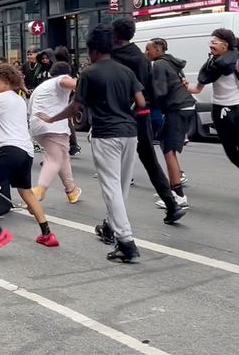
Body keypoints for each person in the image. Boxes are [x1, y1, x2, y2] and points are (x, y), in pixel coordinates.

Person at [39, 25, 145, 262]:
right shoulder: (126, 71)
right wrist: (124, 113)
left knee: (111, 187)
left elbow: (76, 107)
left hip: (106, 133)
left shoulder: (89, 73)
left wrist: (51, 118)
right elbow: (140, 101)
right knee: (122, 185)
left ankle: (126, 241)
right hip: (129, 132)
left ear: (94, 50)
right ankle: (111, 226)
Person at [0, 64, 58, 255]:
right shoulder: (18, 99)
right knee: (27, 193)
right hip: (26, 151)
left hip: (9, 149)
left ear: (6, 80)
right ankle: (47, 233)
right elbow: (1, 121)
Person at [185, 28, 239, 206]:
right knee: (232, 154)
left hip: (237, 110)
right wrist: (185, 85)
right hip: (218, 111)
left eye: (214, 42)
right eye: (211, 42)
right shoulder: (211, 64)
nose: (211, 44)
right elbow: (197, 89)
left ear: (225, 46)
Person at [110, 17, 183, 223]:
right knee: (150, 160)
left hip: (120, 116)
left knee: (114, 170)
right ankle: (172, 204)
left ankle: (113, 221)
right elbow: (147, 89)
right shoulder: (140, 58)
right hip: (142, 114)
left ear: (115, 34)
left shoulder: (113, 57)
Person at [146, 38, 196, 210]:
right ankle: (173, 187)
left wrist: (144, 99)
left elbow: (159, 91)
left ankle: (178, 196)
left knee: (168, 150)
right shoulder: (172, 62)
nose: (146, 52)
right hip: (185, 106)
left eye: (148, 49)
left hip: (177, 108)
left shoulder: (159, 64)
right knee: (167, 146)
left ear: (159, 49)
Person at [28, 61, 82, 204]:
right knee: (54, 159)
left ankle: (71, 191)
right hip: (53, 126)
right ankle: (39, 189)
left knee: (61, 157)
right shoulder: (61, 79)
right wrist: (82, 83)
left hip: (37, 127)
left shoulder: (42, 87)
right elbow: (72, 83)